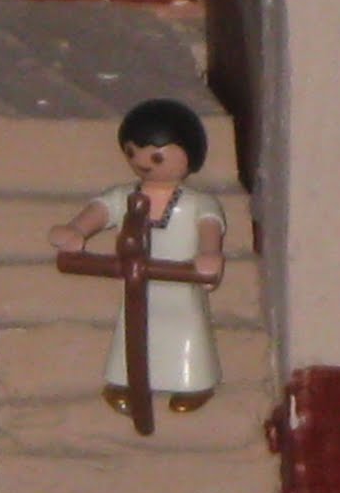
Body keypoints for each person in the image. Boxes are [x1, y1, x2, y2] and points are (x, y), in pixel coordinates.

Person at [47, 98, 226, 415]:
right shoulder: (126, 196)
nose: (142, 162)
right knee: (133, 330)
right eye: (132, 152)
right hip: (139, 285)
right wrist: (77, 229)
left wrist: (209, 254)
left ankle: (192, 382)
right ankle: (124, 381)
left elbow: (209, 225)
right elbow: (102, 209)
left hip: (180, 284)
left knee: (186, 329)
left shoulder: (196, 203)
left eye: (156, 156)